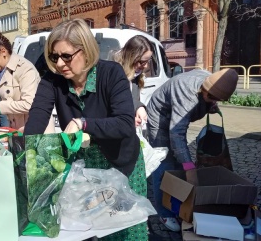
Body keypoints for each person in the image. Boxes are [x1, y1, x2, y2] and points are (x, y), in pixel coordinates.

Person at [24, 18, 148, 240]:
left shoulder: (111, 73)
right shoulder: (53, 81)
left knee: (124, 232)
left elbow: (124, 123)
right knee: (91, 231)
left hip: (121, 165)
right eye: (54, 57)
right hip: (85, 168)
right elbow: (37, 116)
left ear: (86, 50)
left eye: (67, 56)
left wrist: (83, 123)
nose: (60, 64)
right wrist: (24, 150)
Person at [147, 68, 238, 232]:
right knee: (164, 164)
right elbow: (176, 133)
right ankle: (164, 212)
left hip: (175, 116)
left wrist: (209, 104)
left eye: (216, 100)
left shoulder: (210, 80)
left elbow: (204, 99)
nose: (212, 101)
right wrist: (189, 168)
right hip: (159, 118)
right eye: (211, 97)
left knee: (178, 161)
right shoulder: (186, 93)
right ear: (204, 87)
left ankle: (178, 203)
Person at [0, 29, 41, 130]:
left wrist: (1, 104)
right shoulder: (0, 72)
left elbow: (29, 104)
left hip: (32, 131)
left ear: (3, 52)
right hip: (14, 128)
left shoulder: (25, 68)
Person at [113, 35, 152, 127]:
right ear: (131, 57)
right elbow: (109, 109)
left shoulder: (136, 75)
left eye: (148, 61)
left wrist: (139, 108)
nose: (145, 66)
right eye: (142, 62)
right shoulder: (114, 74)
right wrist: (128, 120)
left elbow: (132, 100)